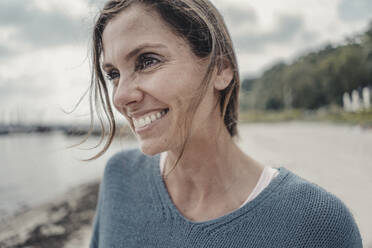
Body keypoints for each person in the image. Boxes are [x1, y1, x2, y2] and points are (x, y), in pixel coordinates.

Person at [88, 0, 363, 247]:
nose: (121, 96)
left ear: (221, 69)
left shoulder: (317, 225)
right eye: (113, 74)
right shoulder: (120, 179)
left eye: (147, 61)